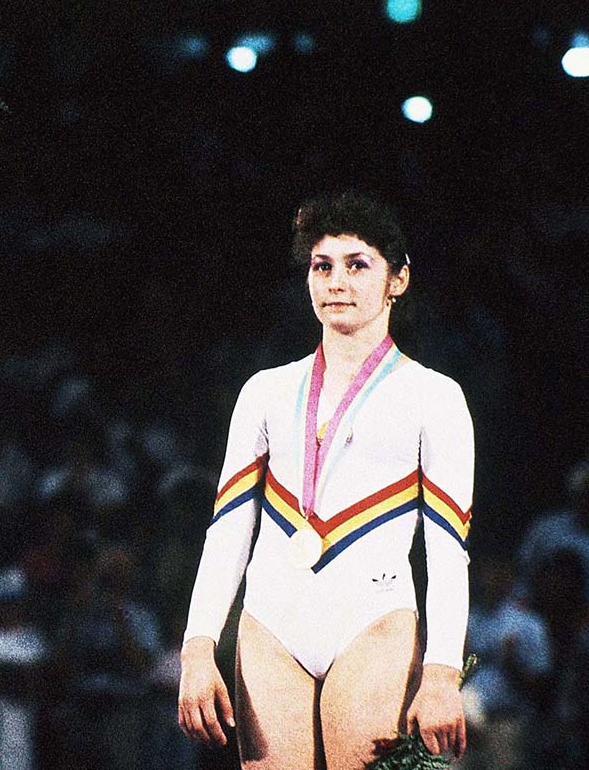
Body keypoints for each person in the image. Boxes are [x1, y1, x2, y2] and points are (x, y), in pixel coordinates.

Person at [177, 192, 474, 768]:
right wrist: (197, 647)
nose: (336, 281)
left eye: (357, 264)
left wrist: (441, 671)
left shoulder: (435, 398)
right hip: (270, 624)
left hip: (374, 620)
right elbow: (227, 532)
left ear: (398, 280)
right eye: (322, 266)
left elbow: (447, 550)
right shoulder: (263, 391)